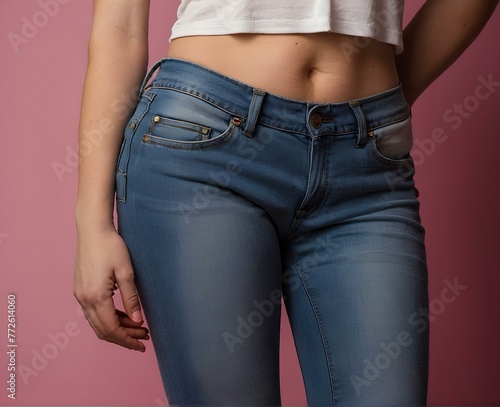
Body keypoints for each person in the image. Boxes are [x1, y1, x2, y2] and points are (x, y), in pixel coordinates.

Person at [73, 1, 499, 406]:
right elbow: (120, 25)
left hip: (366, 171)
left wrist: (381, 105)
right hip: (207, 148)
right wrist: (91, 223)